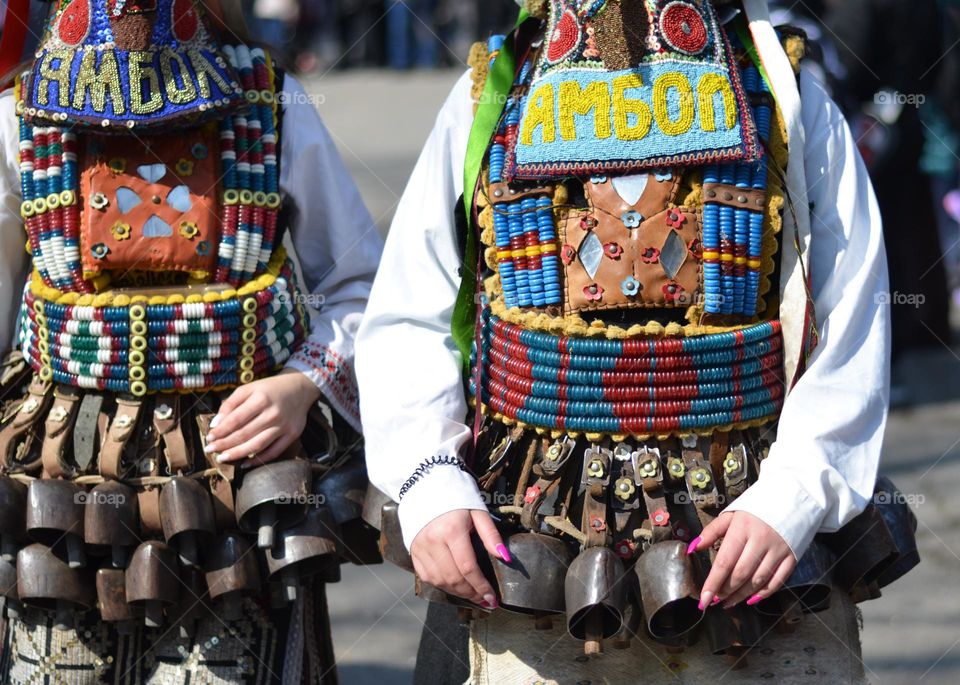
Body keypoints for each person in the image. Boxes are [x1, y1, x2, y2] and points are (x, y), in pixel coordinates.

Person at [357, 0, 919, 682]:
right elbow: (409, 312)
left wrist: (796, 494)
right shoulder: (495, 94)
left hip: (750, 534)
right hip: (531, 528)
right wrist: (430, 480)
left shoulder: (780, 87)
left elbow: (850, 310)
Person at [0, 0, 382, 683]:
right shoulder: (21, 113)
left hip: (232, 477)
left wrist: (302, 384)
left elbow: (359, 280)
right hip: (58, 472)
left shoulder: (270, 99)